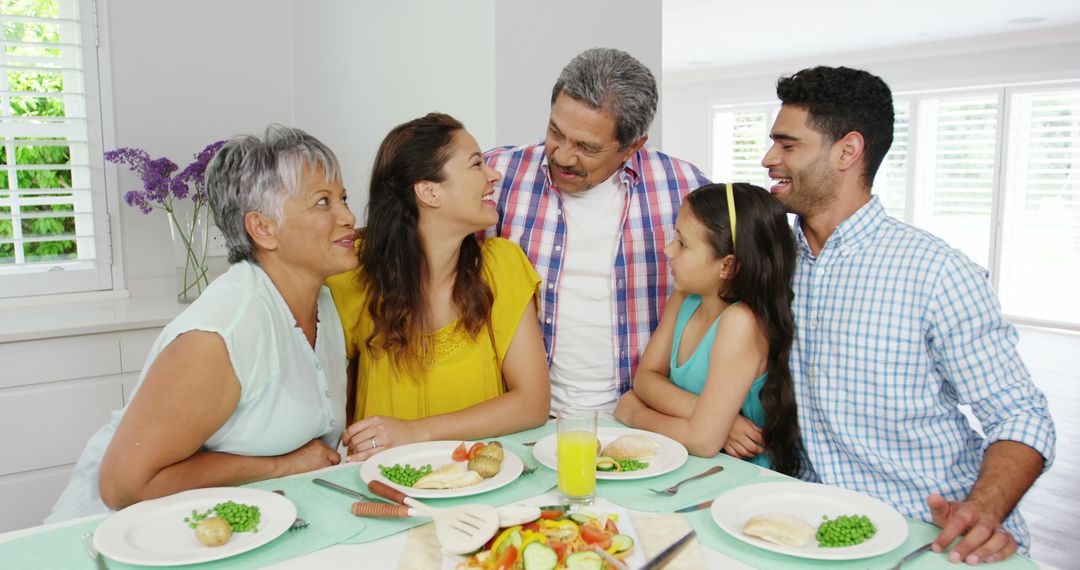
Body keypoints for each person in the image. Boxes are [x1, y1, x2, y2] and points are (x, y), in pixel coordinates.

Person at [760, 65, 1056, 563]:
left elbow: (1021, 416)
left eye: (788, 146)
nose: (769, 159)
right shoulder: (774, 264)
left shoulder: (937, 273)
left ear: (847, 152)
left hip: (930, 525)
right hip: (813, 518)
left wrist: (982, 509)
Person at [47, 126, 355, 521]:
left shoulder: (323, 302)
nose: (348, 216)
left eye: (344, 198)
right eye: (323, 202)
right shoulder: (225, 329)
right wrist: (283, 466)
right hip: (108, 537)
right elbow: (124, 485)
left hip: (225, 525)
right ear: (263, 228)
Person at [485, 47, 711, 415]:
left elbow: (720, 304)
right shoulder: (496, 176)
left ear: (633, 146)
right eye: (555, 132)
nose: (561, 156)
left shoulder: (685, 188)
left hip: (644, 419)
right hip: (521, 419)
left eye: (586, 148)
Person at [329, 113, 550, 462]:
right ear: (429, 191)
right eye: (476, 164)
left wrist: (417, 432)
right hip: (384, 485)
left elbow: (533, 403)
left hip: (482, 483)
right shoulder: (352, 275)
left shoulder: (501, 266)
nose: (493, 175)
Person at [613, 183, 801, 473]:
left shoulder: (741, 323)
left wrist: (635, 411)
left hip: (738, 477)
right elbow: (645, 379)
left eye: (683, 244)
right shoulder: (685, 296)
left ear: (727, 265)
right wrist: (718, 420)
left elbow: (702, 440)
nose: (667, 250)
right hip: (683, 465)